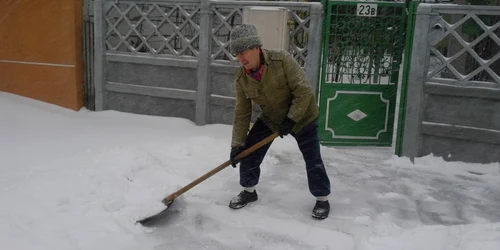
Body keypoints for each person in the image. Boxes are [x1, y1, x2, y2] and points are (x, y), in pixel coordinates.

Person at [228, 24, 331, 220]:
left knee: (312, 158)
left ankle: (322, 198)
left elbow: (304, 92)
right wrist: (237, 146)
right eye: (236, 54)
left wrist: (292, 119)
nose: (240, 59)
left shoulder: (281, 60)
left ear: (255, 47)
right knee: (249, 151)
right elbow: (242, 112)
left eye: (243, 52)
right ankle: (249, 191)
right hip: (273, 117)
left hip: (303, 116)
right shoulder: (242, 78)